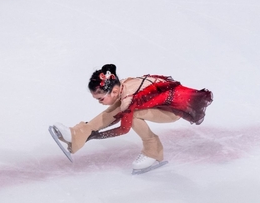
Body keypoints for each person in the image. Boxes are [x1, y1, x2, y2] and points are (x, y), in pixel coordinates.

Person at [53, 64, 213, 173]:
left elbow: (124, 128)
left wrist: (97, 136)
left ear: (114, 91)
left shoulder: (128, 98)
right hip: (159, 100)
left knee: (133, 113)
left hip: (173, 110)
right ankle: (77, 134)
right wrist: (91, 132)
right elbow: (114, 115)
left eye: (100, 99)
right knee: (116, 109)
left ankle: (153, 151)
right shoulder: (121, 87)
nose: (99, 102)